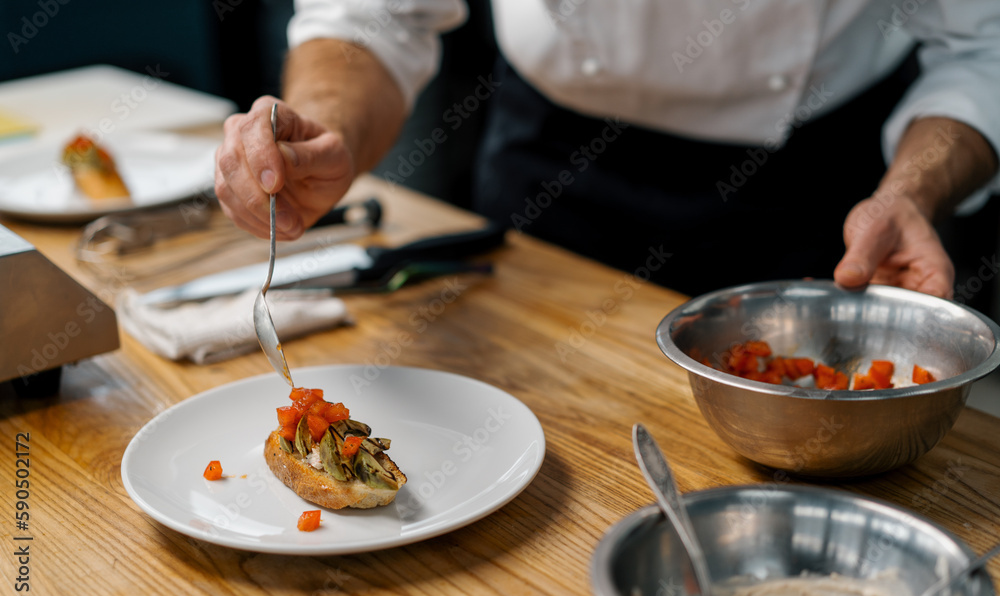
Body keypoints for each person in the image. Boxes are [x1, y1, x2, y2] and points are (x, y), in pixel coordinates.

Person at [214, 1, 1000, 299]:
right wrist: (321, 132)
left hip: (816, 200)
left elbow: (984, 43)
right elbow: (375, 14)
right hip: (552, 167)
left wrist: (912, 193)